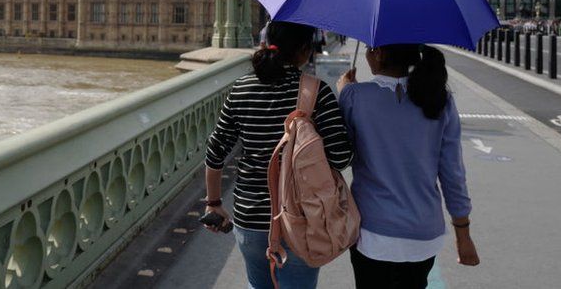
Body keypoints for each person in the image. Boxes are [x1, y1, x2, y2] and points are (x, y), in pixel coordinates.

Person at [203, 21, 353, 289]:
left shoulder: (241, 89)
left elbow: (215, 153)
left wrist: (213, 202)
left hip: (250, 218)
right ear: (306, 50)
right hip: (303, 218)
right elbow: (341, 158)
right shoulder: (317, 92)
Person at [337, 45, 480, 289]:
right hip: (423, 233)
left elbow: (341, 154)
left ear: (380, 53)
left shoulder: (355, 97)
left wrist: (344, 92)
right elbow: (452, 173)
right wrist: (463, 234)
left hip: (372, 232)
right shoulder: (440, 99)